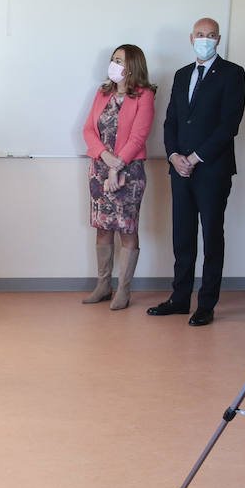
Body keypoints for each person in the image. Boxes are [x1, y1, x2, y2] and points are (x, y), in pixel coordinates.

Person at [149, 18, 245, 326]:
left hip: (212, 169)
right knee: (183, 235)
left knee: (211, 236)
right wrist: (176, 156)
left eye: (211, 35)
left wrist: (195, 157)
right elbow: (171, 122)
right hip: (180, 169)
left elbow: (229, 124)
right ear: (192, 38)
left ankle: (206, 304)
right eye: (200, 34)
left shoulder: (232, 73)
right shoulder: (181, 75)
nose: (205, 39)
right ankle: (179, 299)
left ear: (218, 39)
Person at [80, 44, 157, 311]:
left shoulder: (144, 96)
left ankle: (123, 290)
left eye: (120, 61)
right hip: (100, 171)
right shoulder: (103, 93)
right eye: (113, 59)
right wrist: (106, 158)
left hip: (130, 172)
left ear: (133, 66)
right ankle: (103, 285)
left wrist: (118, 165)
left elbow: (139, 135)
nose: (114, 64)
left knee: (126, 229)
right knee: (103, 227)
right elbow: (89, 130)